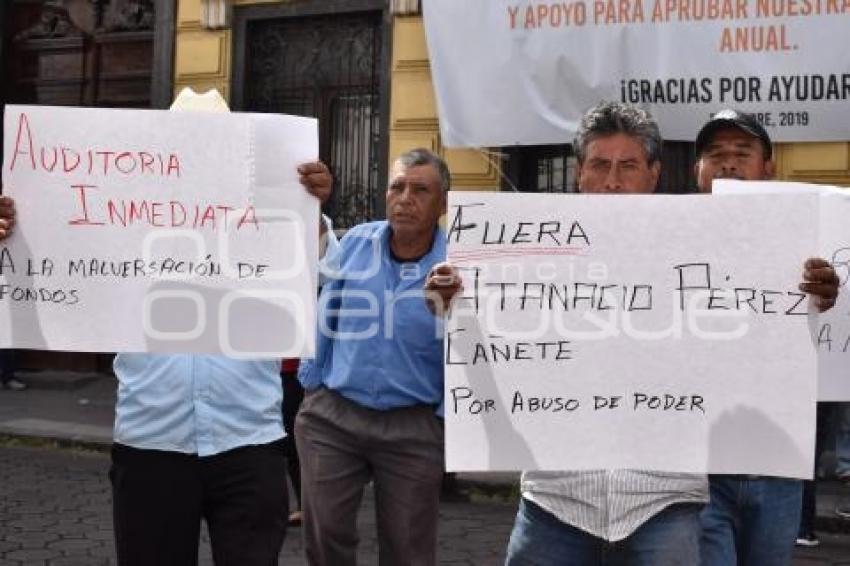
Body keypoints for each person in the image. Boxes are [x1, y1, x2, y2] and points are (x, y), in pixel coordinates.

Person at [425, 102, 839, 566]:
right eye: (600, 165)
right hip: (554, 499)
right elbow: (484, 344)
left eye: (629, 166)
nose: (613, 181)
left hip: (664, 504)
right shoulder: (529, 254)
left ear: (654, 173)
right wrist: (453, 303)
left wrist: (808, 300)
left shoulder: (706, 248)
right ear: (579, 173)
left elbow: (759, 323)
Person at [109, 159, 334, 566]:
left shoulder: (270, 221)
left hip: (247, 440)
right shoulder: (119, 221)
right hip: (151, 441)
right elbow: (60, 266)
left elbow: (326, 275)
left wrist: (310, 211)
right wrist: (19, 232)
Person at [694, 109, 839, 566]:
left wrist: (828, 296)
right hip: (699, 469)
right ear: (697, 169)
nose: (729, 164)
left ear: (768, 167)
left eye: (742, 153)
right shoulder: (666, 235)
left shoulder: (818, 234)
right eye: (715, 154)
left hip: (777, 464)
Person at [296, 148, 450, 566]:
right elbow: (317, 263)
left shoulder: (458, 264)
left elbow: (480, 342)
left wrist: (460, 307)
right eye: (397, 187)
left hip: (414, 426)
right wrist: (312, 204)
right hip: (334, 416)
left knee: (408, 548)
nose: (405, 198)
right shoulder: (360, 240)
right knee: (325, 537)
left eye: (420, 190)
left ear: (443, 204)